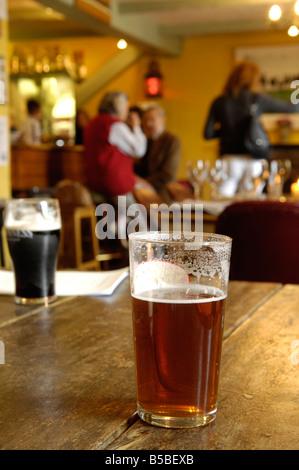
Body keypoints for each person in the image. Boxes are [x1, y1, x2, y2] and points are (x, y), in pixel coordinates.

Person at [203, 60, 299, 196]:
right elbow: (293, 108)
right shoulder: (257, 99)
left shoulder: (219, 101)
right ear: (254, 79)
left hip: (229, 159)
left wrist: (227, 129)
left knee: (221, 199)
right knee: (249, 202)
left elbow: (207, 134)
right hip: (253, 158)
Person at [84, 91, 147, 199]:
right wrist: (137, 127)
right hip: (115, 187)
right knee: (140, 215)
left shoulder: (92, 123)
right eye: (126, 107)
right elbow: (139, 150)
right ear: (118, 106)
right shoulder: (115, 125)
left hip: (94, 184)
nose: (127, 111)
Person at [135, 103, 181, 202]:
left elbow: (168, 174)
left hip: (162, 196)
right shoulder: (144, 141)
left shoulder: (171, 140)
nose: (148, 124)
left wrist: (143, 183)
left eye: (151, 119)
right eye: (145, 120)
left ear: (162, 120)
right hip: (142, 194)